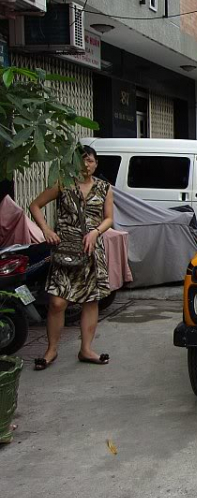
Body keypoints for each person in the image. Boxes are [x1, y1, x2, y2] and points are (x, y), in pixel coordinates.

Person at [29, 145, 115, 370]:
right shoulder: (63, 183)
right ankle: (51, 350)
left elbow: (109, 219)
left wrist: (96, 232)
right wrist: (46, 230)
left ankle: (86, 349)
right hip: (65, 250)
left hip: (91, 251)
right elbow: (35, 205)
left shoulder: (105, 188)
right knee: (57, 302)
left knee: (90, 299)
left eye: (90, 161)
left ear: (96, 164)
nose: (86, 165)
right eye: (82, 160)